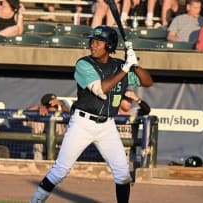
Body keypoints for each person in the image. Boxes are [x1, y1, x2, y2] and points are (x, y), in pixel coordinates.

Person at [29, 25, 153, 203]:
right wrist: (125, 69)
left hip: (107, 125)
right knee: (60, 170)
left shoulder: (120, 66)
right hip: (82, 123)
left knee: (123, 174)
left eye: (98, 42)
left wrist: (134, 65)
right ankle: (35, 201)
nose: (92, 45)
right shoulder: (84, 63)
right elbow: (100, 90)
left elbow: (148, 82)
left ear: (109, 46)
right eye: (92, 41)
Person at [26, 93, 69, 160]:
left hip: (58, 153)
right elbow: (26, 112)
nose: (53, 108)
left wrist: (62, 104)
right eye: (50, 106)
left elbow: (69, 114)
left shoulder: (60, 115)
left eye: (56, 106)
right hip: (40, 153)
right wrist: (39, 107)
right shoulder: (36, 117)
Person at [117, 89, 150, 174]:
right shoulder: (113, 111)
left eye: (130, 100)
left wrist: (136, 98)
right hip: (114, 150)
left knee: (130, 175)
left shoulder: (135, 112)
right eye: (126, 99)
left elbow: (147, 110)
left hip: (129, 152)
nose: (129, 102)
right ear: (120, 100)